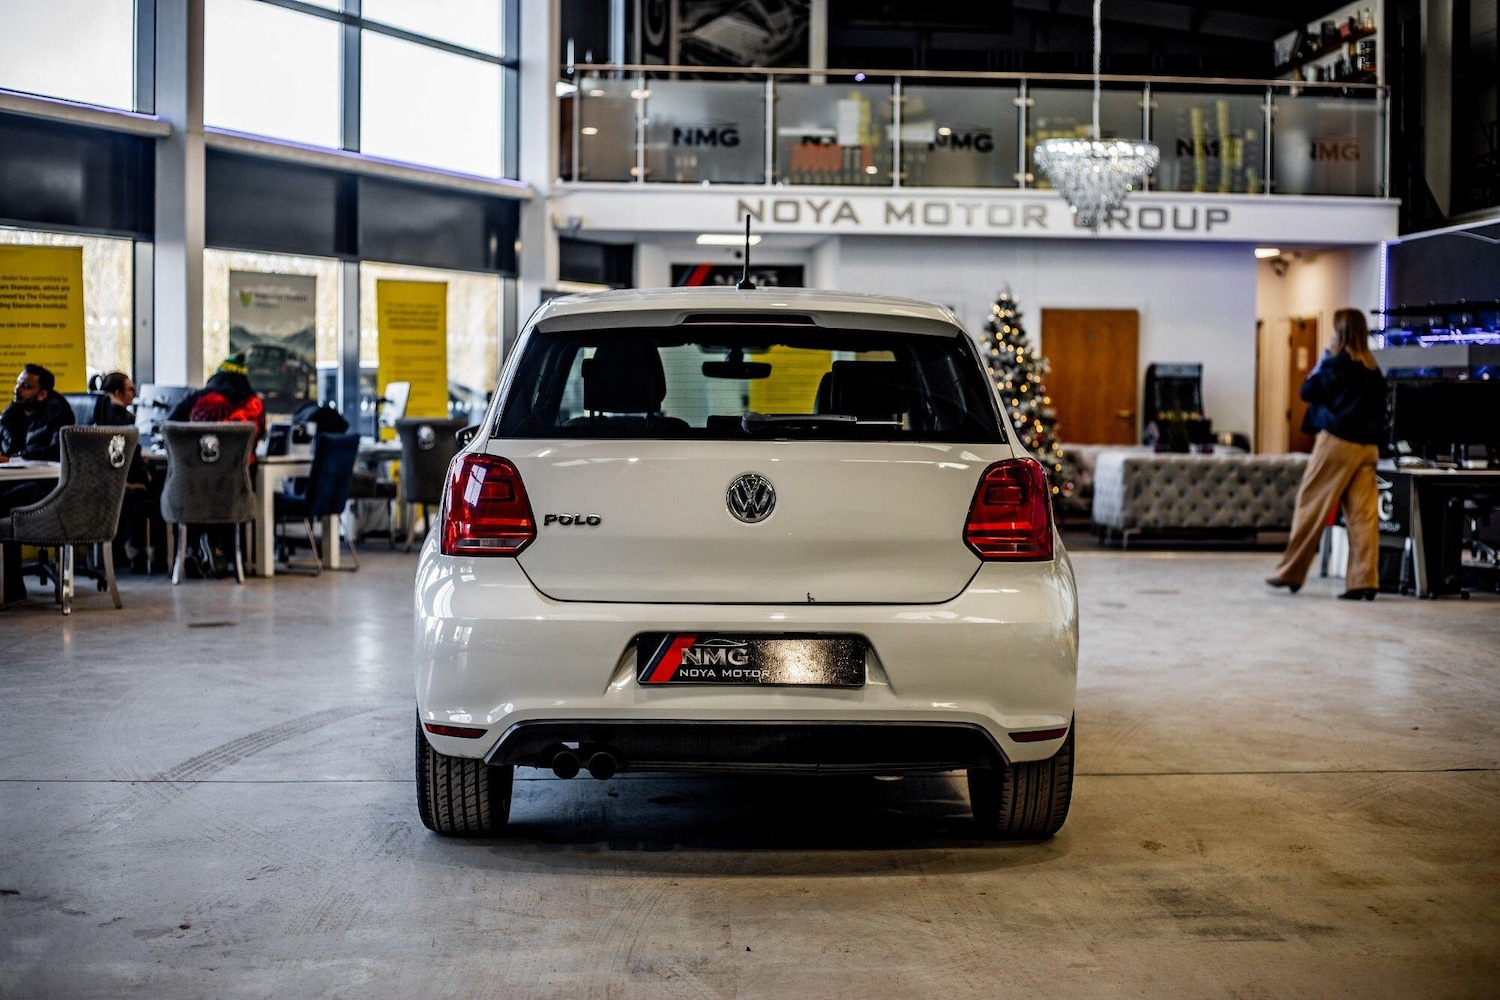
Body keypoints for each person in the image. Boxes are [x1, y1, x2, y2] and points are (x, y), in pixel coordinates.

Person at [1266, 309, 1389, 601]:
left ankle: (1290, 572)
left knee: (1310, 504)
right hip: (1367, 449)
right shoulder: (1373, 368)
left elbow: (1307, 390)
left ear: (1341, 332)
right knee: (1363, 516)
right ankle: (1364, 580)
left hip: (1337, 443)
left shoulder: (1337, 363)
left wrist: (1325, 355)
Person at [1, 364, 76, 601]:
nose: (18, 389)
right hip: (25, 478)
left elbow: (53, 451)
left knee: (3, 505)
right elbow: (4, 433)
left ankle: (11, 585)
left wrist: (15, 456)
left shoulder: (56, 412)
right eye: (18, 383)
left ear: (42, 393)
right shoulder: (19, 409)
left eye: (26, 386)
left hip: (50, 488)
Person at [92, 372, 159, 572]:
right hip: (121, 485)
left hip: (102, 484)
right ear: (118, 392)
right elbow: (125, 457)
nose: (134, 393)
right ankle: (150, 553)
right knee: (157, 490)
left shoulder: (99, 413)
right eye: (131, 389)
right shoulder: (122, 418)